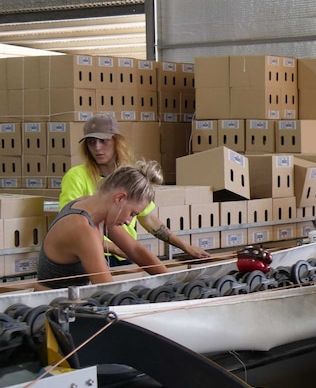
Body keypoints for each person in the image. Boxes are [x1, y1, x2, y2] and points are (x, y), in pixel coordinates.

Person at [60, 113, 209, 266]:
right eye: (92, 142)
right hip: (93, 255)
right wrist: (116, 248)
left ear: (117, 142)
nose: (97, 148)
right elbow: (71, 222)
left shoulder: (129, 177)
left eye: (104, 141)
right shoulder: (76, 176)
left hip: (125, 255)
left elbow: (149, 219)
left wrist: (185, 247)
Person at [38, 161, 169, 289]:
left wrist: (170, 281)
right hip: (48, 306)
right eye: (132, 213)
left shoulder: (92, 207)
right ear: (119, 198)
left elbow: (135, 250)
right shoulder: (82, 229)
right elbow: (106, 290)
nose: (129, 221)